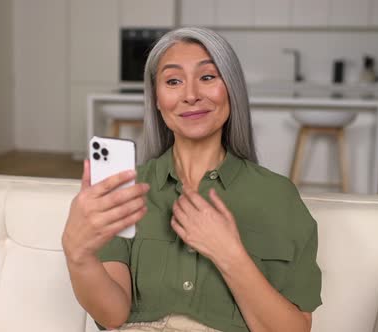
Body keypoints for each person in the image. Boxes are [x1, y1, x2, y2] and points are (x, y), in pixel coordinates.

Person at [62, 27, 322, 332]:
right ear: (157, 99)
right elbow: (113, 315)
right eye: (173, 81)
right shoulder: (126, 191)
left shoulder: (277, 196)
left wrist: (229, 254)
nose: (190, 95)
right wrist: (77, 254)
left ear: (232, 89)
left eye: (208, 77)